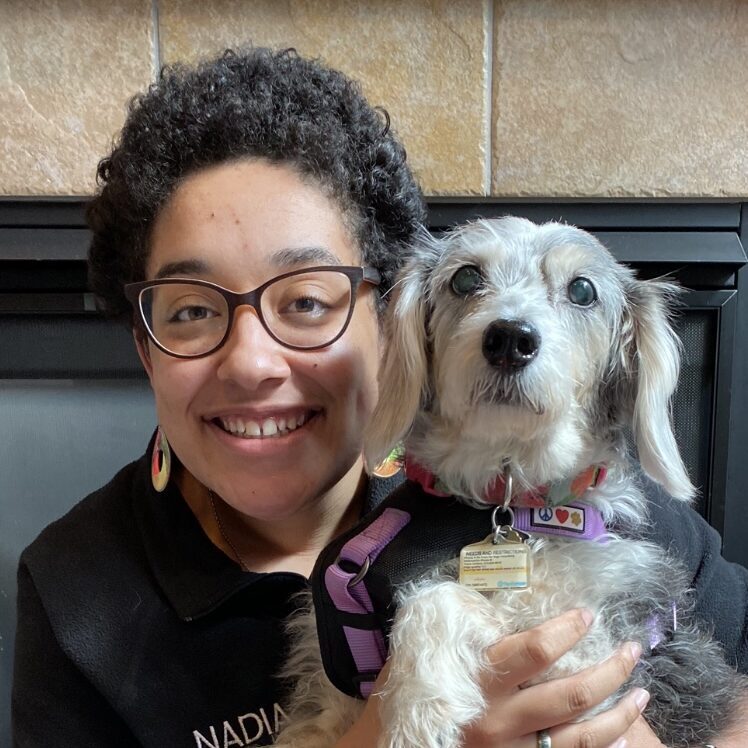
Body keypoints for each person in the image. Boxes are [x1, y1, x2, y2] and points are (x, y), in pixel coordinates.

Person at [11, 46, 748, 748]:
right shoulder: (78, 592)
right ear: (145, 346)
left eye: (304, 300)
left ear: (389, 322)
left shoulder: (567, 495)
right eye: (192, 310)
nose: (251, 363)